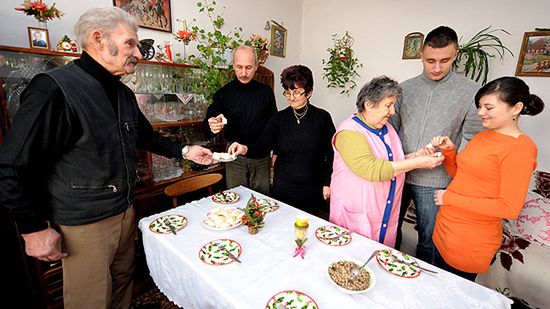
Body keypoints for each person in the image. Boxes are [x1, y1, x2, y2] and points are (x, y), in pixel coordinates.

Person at [0, 7, 214, 309]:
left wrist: (183, 150)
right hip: (85, 225)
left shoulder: (123, 94)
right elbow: (10, 164)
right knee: (91, 300)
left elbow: (146, 136)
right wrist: (32, 228)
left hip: (125, 212)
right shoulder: (55, 89)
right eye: (130, 43)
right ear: (98, 39)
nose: (138, 52)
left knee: (122, 283)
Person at [431, 77, 543, 281]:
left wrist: (450, 199)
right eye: (480, 106)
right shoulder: (483, 137)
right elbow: (459, 175)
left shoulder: (521, 149)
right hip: (445, 229)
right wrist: (449, 152)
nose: (480, 112)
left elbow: (508, 208)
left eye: (488, 107)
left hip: (470, 240)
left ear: (516, 108)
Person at [390, 25, 483, 262]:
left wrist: (455, 169)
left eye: (445, 60)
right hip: (400, 172)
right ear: (421, 54)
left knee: (430, 242)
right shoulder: (405, 88)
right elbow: (390, 128)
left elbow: (474, 138)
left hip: (436, 181)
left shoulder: (471, 91)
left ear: (456, 55)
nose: (437, 67)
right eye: (430, 60)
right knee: (389, 231)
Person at [329, 76, 444, 247]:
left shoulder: (386, 128)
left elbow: (391, 162)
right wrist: (419, 163)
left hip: (383, 214)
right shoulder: (349, 132)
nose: (392, 112)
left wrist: (416, 156)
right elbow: (372, 169)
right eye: (388, 106)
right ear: (368, 104)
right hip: (358, 213)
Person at [229, 65, 335, 216]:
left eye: (297, 92)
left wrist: (327, 183)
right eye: (288, 92)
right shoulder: (279, 118)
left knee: (308, 229)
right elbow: (262, 147)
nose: (291, 97)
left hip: (312, 187)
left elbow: (331, 153)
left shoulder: (322, 118)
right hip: (284, 186)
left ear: (309, 92)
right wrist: (244, 148)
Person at [203, 45, 277, 195]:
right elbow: (207, 127)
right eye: (239, 67)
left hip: (261, 156)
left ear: (256, 66)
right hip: (234, 157)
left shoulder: (266, 92)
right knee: (235, 198)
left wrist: (276, 151)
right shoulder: (223, 94)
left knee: (262, 200)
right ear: (233, 66)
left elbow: (274, 125)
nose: (243, 73)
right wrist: (212, 126)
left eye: (249, 67)